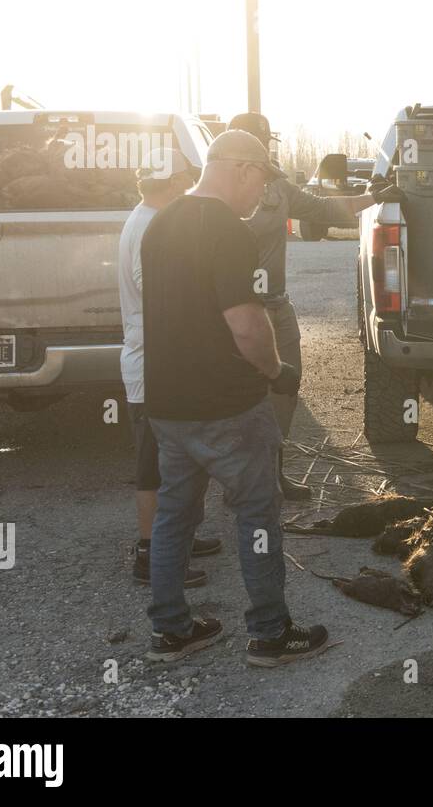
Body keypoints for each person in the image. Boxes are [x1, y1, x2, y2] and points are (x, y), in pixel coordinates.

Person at [141, 129, 327, 666]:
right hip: (227, 406)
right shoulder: (226, 228)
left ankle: (171, 631)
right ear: (241, 168)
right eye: (263, 180)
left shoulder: (163, 221)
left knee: (175, 515)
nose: (263, 194)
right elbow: (245, 326)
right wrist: (277, 370)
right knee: (257, 515)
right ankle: (271, 633)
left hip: (167, 406)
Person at [227, 113, 401, 500]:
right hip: (231, 308)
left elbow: (323, 209)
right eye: (262, 145)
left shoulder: (278, 187)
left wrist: (374, 196)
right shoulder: (213, 196)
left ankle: (273, 471)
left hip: (275, 306)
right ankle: (238, 479)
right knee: (236, 396)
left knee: (284, 386)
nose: (268, 151)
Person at [116, 147, 216, 586]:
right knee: (153, 464)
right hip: (151, 364)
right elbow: (155, 290)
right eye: (186, 180)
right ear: (174, 183)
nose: (190, 187)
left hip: (158, 360)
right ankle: (151, 558)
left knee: (175, 460)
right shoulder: (149, 225)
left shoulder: (147, 218)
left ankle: (177, 538)